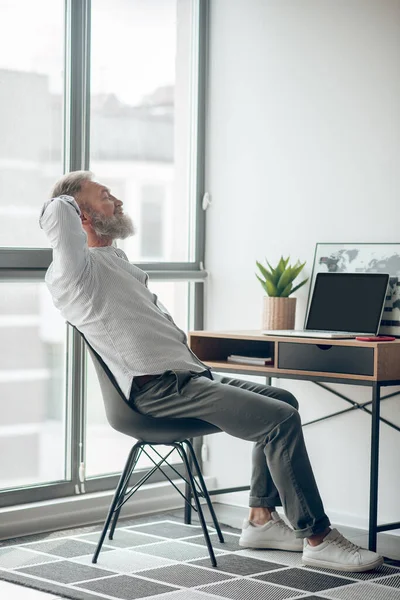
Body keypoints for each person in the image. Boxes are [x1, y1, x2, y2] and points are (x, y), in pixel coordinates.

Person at [40, 170, 384, 573]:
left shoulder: (115, 261)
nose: (118, 200)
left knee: (283, 400)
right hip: (158, 392)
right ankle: (319, 538)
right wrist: (66, 201)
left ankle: (260, 520)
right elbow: (56, 214)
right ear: (79, 215)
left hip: (190, 378)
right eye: (105, 196)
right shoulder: (73, 274)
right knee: (279, 420)